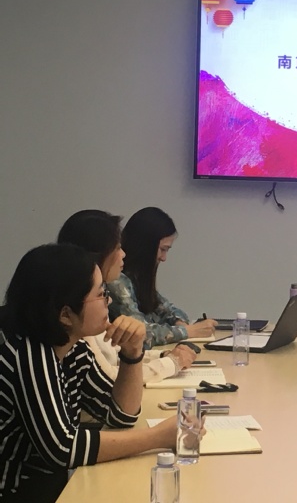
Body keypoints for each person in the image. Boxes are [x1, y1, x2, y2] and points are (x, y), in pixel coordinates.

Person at [0, 244, 178, 502]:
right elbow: (62, 448)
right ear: (65, 314)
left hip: (47, 487)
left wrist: (132, 353)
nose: (109, 301)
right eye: (101, 293)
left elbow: (120, 416)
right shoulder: (27, 354)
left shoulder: (74, 350)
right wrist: (157, 437)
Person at [57, 210, 197, 382]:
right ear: (98, 254)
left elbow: (115, 353)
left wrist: (162, 355)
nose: (123, 254)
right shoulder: (83, 308)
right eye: (117, 248)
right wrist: (172, 363)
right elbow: (108, 378)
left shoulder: (104, 292)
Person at [108, 207, 216, 348]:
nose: (164, 258)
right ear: (145, 246)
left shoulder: (136, 277)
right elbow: (140, 333)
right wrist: (188, 331)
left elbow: (168, 310)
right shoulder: (116, 280)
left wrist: (179, 322)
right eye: (162, 249)